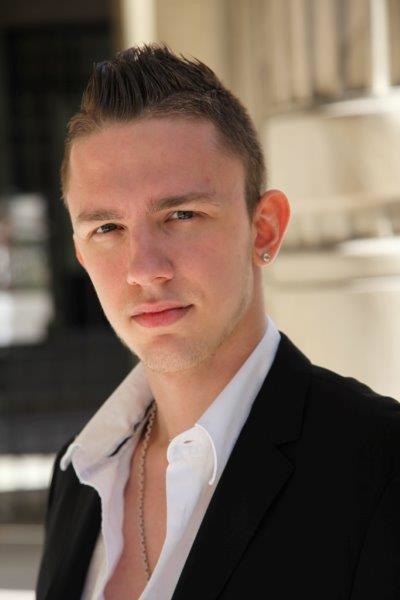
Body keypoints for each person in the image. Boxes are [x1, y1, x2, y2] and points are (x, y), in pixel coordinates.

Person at [36, 45, 400, 600]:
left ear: (264, 229)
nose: (144, 269)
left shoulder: (381, 466)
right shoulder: (79, 473)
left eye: (182, 215)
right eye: (107, 228)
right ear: (81, 253)